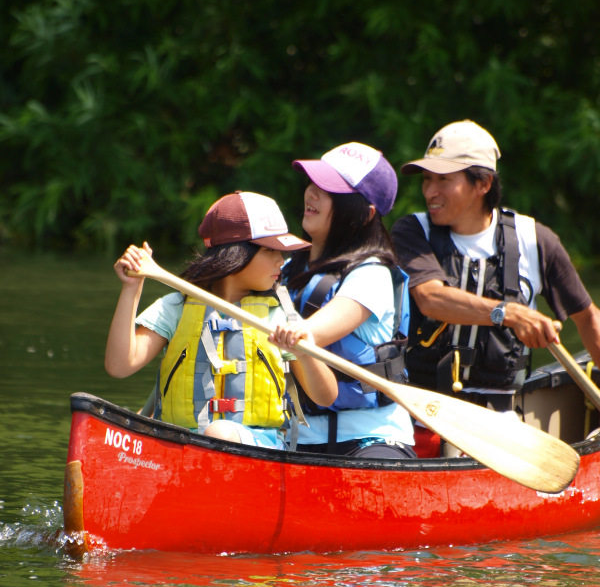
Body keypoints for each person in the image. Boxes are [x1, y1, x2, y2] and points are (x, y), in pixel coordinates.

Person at [390, 119, 600, 413]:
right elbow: (430, 299)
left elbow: (589, 319)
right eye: (427, 179)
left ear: (483, 183)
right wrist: (509, 313)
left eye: (443, 180)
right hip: (421, 414)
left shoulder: (536, 241)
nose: (429, 192)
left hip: (501, 422)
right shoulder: (412, 231)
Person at [105, 191, 338, 449]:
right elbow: (119, 365)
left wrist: (306, 353)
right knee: (211, 434)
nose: (281, 261)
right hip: (180, 446)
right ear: (237, 253)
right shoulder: (177, 307)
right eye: (270, 250)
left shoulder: (279, 315)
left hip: (260, 448)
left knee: (219, 432)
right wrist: (131, 290)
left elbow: (325, 397)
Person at [272, 142, 416, 459]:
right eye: (313, 182)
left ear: (364, 214)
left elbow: (314, 332)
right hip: (294, 438)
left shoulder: (373, 274)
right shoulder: (287, 269)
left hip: (371, 441)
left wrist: (299, 334)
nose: (311, 193)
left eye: (329, 190)